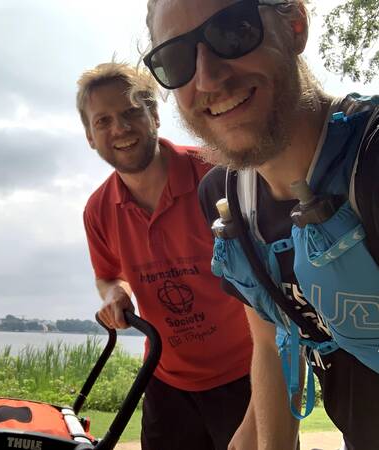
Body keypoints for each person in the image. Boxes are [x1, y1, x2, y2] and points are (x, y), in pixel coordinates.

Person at [143, 1, 379, 449]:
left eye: (233, 31)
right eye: (176, 59)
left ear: (294, 26)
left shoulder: (370, 165)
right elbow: (273, 344)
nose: (208, 78)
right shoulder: (227, 199)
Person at [76, 62, 254, 450]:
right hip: (165, 378)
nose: (120, 129)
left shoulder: (219, 173)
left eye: (130, 113)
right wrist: (114, 294)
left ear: (154, 115)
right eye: (102, 121)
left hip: (247, 372)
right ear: (90, 136)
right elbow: (107, 275)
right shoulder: (98, 210)